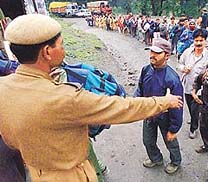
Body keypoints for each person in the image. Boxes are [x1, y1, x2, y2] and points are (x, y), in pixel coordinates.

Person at [0, 14, 183, 182]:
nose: (63, 50)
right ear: (47, 52)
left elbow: (10, 139)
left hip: (37, 173)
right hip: (71, 175)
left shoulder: (3, 88)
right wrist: (165, 101)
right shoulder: (66, 98)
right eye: (61, 45)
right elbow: (123, 107)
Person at [134, 38, 183, 174]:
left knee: (170, 141)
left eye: (157, 53)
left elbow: (177, 106)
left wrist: (174, 129)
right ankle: (156, 158)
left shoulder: (172, 79)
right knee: (147, 140)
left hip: (165, 117)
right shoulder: (146, 70)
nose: (152, 55)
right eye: (151, 51)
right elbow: (140, 89)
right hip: (149, 115)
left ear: (167, 55)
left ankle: (175, 161)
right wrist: (137, 104)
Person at [177, 29, 208, 139]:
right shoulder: (187, 52)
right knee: (190, 106)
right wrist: (184, 69)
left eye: (201, 40)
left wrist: (205, 76)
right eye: (196, 40)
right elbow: (179, 64)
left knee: (195, 109)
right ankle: (196, 118)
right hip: (187, 86)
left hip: (200, 89)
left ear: (205, 41)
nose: (198, 43)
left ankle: (193, 128)